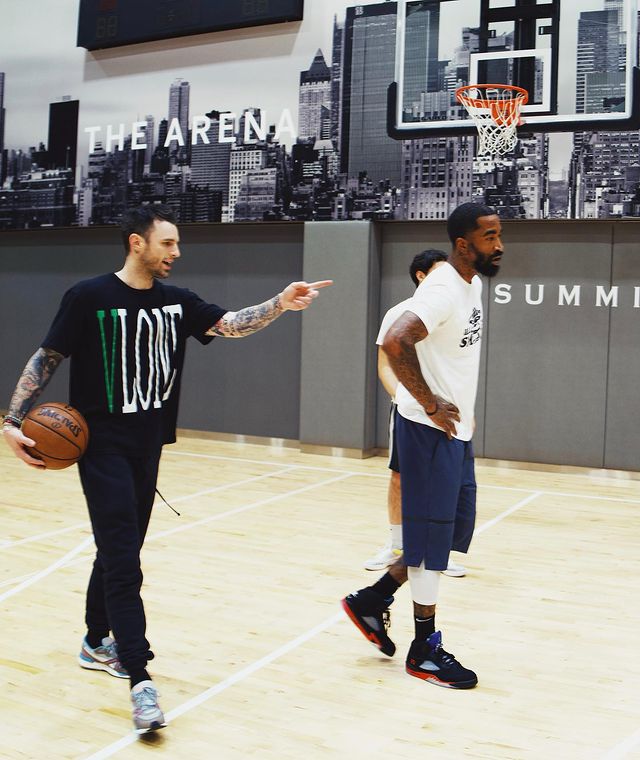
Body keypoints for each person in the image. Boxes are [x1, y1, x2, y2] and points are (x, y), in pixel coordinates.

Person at [2, 204, 332, 733]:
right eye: (168, 243)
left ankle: (95, 640)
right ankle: (140, 677)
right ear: (137, 243)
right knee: (123, 561)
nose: (176, 252)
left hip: (148, 445)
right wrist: (13, 419)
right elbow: (48, 357)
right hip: (101, 448)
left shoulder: (177, 302)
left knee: (120, 548)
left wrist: (280, 302)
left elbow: (230, 325)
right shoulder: (88, 296)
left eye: (176, 244)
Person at [342, 202, 503, 689]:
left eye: (498, 235)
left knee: (445, 534)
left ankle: (372, 599)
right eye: (490, 237)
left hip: (455, 432)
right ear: (463, 244)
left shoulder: (471, 284)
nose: (499, 245)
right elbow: (396, 341)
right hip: (429, 431)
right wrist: (430, 403)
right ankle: (424, 650)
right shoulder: (442, 290)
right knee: (431, 543)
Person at [364, 249, 467, 578]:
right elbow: (385, 365)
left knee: (444, 482)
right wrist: (408, 400)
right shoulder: (398, 313)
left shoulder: (457, 311)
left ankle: (438, 553)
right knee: (400, 478)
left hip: (448, 414)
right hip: (410, 413)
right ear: (421, 276)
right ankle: (397, 546)